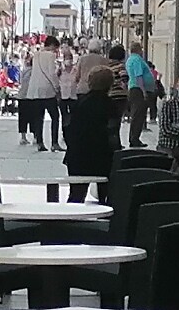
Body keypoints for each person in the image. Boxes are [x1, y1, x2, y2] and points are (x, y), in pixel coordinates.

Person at [61, 46, 122, 200]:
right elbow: (112, 132)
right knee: (106, 195)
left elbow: (68, 128)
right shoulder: (111, 106)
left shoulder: (79, 104)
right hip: (102, 156)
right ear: (110, 83)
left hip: (78, 156)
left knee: (76, 195)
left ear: (89, 82)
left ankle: (71, 221)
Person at [16, 37, 59, 148]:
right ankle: (54, 143)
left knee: (39, 118)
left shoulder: (36, 55)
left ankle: (40, 143)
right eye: (55, 48)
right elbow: (52, 73)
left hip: (35, 90)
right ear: (52, 45)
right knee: (55, 116)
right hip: (47, 90)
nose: (55, 50)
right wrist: (57, 87)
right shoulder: (50, 55)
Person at [123, 44, 160, 146]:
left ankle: (135, 138)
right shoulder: (136, 60)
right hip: (138, 90)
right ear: (138, 50)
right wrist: (143, 91)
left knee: (138, 114)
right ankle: (134, 139)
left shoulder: (132, 59)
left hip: (136, 88)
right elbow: (138, 76)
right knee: (138, 115)